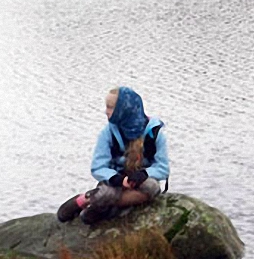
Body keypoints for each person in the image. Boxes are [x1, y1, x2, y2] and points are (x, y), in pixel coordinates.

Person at [57, 86, 170, 225]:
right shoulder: (108, 133)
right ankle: (84, 200)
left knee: (152, 187)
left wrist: (145, 174)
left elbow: (163, 168)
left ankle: (100, 204)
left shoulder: (154, 133)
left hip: (140, 181)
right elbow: (98, 167)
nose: (106, 112)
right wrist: (117, 179)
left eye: (110, 108)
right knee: (107, 193)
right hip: (115, 180)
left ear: (124, 110)